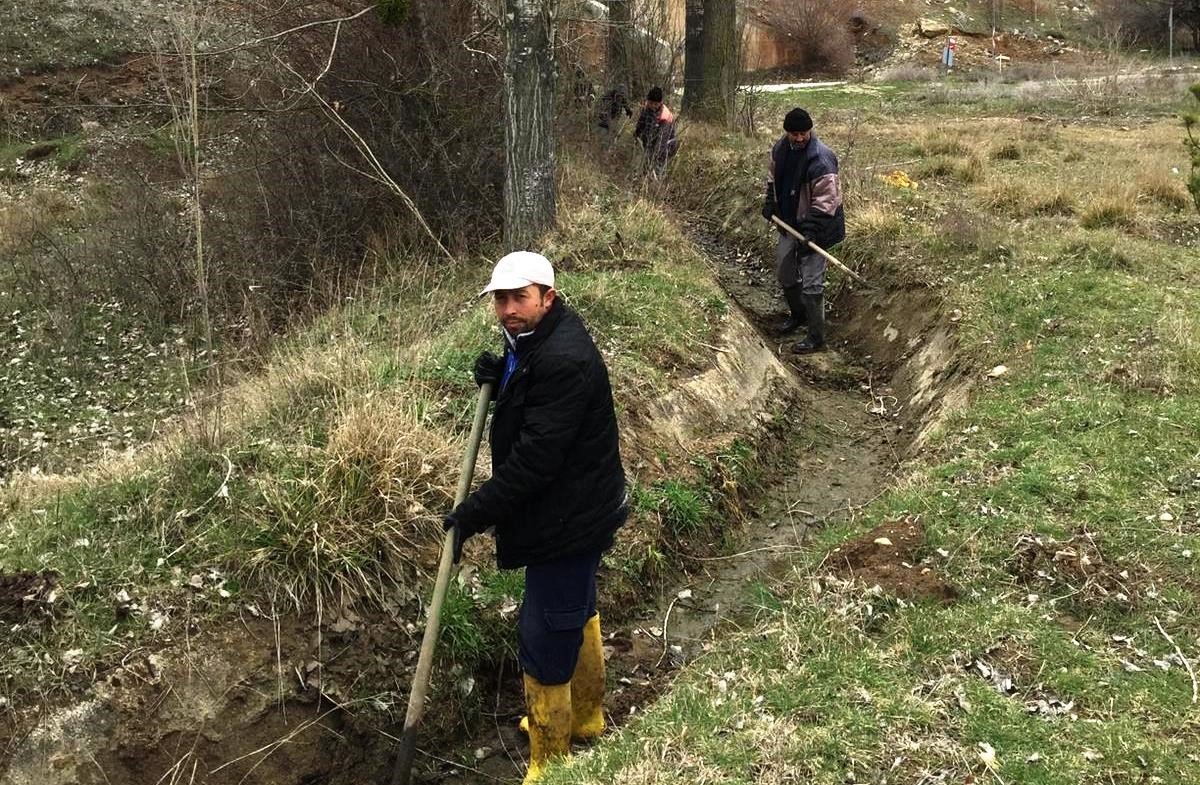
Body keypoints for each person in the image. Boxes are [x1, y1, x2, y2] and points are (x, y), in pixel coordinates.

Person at [445, 251, 627, 784]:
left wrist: (472, 514)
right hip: (580, 505)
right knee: (576, 608)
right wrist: (502, 380)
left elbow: (534, 462)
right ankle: (588, 718)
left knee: (545, 633)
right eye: (499, 300)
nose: (506, 310)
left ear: (547, 296)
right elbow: (534, 389)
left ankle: (550, 763)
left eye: (517, 298)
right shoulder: (536, 339)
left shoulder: (563, 358)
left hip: (568, 519)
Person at [761, 107, 845, 353]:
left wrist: (810, 231)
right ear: (787, 132)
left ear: (810, 131)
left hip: (817, 229)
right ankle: (798, 315)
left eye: (803, 133)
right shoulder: (780, 150)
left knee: (811, 284)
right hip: (789, 224)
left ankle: (816, 337)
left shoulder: (820, 159)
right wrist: (770, 202)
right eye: (794, 134)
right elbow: (771, 179)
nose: (799, 138)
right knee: (786, 274)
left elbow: (826, 201)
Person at [633, 86, 678, 177]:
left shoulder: (665, 117)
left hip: (664, 149)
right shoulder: (645, 108)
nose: (653, 106)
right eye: (651, 103)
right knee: (644, 168)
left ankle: (654, 185)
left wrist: (654, 157)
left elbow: (662, 142)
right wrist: (636, 135)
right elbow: (641, 124)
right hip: (650, 144)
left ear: (660, 103)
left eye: (655, 104)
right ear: (648, 101)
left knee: (656, 172)